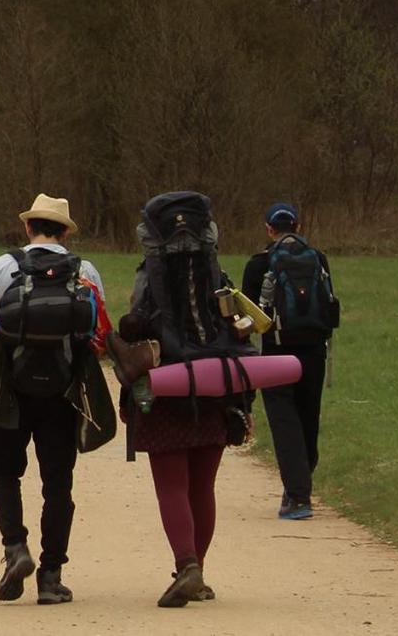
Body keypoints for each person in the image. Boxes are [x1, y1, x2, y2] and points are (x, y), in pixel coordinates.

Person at [0, 194, 106, 606]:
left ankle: (15, 548)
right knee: (58, 483)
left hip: (11, 391)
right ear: (64, 232)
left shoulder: (3, 265)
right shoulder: (85, 270)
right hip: (63, 393)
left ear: (29, 228)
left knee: (4, 472)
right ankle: (51, 576)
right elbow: (96, 339)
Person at [116, 189, 248, 609]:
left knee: (171, 486)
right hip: (215, 387)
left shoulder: (147, 275)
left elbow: (136, 321)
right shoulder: (217, 275)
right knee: (202, 486)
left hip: (165, 388)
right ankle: (198, 572)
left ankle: (186, 565)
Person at [240, 201, 339, 521]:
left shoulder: (258, 264)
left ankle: (297, 495)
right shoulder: (319, 259)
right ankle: (301, 483)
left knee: (285, 421)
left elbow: (248, 316)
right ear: (298, 227)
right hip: (314, 349)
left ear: (269, 229)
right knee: (309, 416)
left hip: (276, 351)